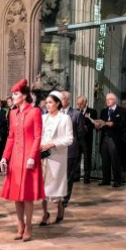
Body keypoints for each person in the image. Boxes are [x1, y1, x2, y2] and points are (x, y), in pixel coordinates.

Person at [0, 79, 45, 242]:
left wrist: (33, 156)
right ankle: (20, 226)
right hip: (16, 159)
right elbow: (11, 137)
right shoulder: (12, 113)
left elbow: (38, 136)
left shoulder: (35, 112)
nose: (13, 96)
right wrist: (5, 157)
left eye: (16, 93)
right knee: (16, 195)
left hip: (29, 158)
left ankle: (28, 227)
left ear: (24, 95)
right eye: (13, 93)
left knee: (27, 195)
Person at [39, 91, 73, 226]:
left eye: (50, 102)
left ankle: (60, 208)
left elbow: (69, 139)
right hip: (42, 157)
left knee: (54, 188)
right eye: (46, 102)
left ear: (57, 103)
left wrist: (53, 144)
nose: (48, 105)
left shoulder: (65, 118)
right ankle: (44, 214)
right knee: (42, 188)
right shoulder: (43, 118)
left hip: (57, 158)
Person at [95, 93, 126, 187]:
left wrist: (113, 124)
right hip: (104, 137)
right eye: (106, 99)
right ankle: (106, 179)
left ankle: (117, 180)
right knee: (105, 159)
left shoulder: (121, 110)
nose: (107, 101)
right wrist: (98, 126)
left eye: (109, 99)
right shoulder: (104, 111)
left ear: (114, 100)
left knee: (115, 160)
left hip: (114, 138)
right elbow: (101, 124)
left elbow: (124, 124)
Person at [60, 91, 84, 208]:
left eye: (63, 98)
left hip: (71, 150)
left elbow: (80, 134)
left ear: (68, 100)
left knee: (68, 177)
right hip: (57, 150)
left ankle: (65, 199)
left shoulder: (76, 114)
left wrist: (81, 151)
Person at [76, 96, 97, 183]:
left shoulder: (92, 111)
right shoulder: (76, 111)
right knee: (77, 157)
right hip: (77, 138)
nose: (79, 105)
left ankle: (86, 177)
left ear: (85, 102)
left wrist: (87, 126)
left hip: (87, 138)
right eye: (78, 103)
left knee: (87, 157)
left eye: (81, 103)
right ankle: (76, 176)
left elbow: (95, 124)